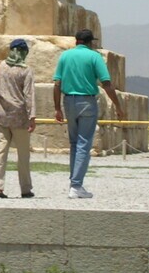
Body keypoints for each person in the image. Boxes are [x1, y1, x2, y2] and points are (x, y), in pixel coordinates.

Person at [53, 29, 125, 198]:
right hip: (86, 101)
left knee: (74, 143)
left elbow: (57, 83)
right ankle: (76, 185)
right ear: (90, 42)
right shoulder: (94, 57)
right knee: (84, 144)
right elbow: (106, 83)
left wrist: (57, 107)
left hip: (68, 100)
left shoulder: (65, 56)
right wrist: (118, 106)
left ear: (76, 41)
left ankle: (74, 182)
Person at [0, 39, 36, 199]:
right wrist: (32, 116)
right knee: (23, 154)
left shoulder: (0, 65)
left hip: (0, 114)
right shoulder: (26, 70)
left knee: (0, 151)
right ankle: (25, 188)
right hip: (19, 117)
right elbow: (29, 95)